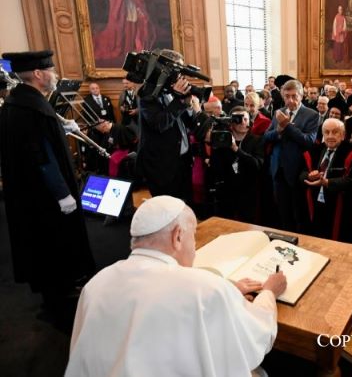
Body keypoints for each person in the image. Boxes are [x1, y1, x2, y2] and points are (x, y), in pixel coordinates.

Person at [65, 195, 287, 376]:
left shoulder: (96, 284)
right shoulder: (205, 288)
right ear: (178, 236)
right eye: (193, 237)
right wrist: (269, 291)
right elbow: (257, 338)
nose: (194, 247)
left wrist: (229, 292)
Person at [0, 50, 95, 324]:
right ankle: (62, 292)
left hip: (29, 195)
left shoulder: (17, 104)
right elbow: (42, 156)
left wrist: (60, 129)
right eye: (51, 70)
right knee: (55, 241)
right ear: (38, 74)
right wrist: (63, 194)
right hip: (47, 196)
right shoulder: (32, 109)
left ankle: (53, 289)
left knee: (41, 243)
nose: (55, 74)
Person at [137, 49, 197, 202]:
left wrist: (189, 106)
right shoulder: (147, 93)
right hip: (163, 167)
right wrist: (178, 100)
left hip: (182, 161)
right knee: (167, 209)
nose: (180, 76)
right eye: (177, 70)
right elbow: (160, 124)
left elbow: (190, 125)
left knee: (184, 205)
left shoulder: (171, 90)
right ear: (164, 69)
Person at [264, 79, 319, 231]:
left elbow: (309, 141)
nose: (290, 100)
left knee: (299, 213)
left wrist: (287, 126)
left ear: (301, 95)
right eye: (287, 96)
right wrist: (278, 131)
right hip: (278, 168)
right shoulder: (279, 112)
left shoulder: (311, 115)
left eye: (294, 96)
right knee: (283, 212)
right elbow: (266, 136)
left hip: (298, 170)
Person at [301, 118, 352, 242]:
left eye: (335, 132)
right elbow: (301, 174)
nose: (330, 136)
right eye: (327, 132)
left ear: (343, 135)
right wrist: (309, 176)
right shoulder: (315, 151)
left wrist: (328, 182)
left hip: (341, 208)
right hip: (317, 205)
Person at [93, 0, 156, 66]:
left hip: (131, 3)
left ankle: (129, 49)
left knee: (132, 25)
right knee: (122, 25)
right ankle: (121, 48)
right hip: (121, 5)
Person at [206, 106, 264, 223]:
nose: (242, 122)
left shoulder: (257, 140)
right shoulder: (223, 139)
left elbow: (256, 165)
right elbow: (216, 167)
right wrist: (212, 143)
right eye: (238, 119)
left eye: (245, 119)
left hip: (248, 190)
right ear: (231, 121)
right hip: (227, 190)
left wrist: (236, 149)